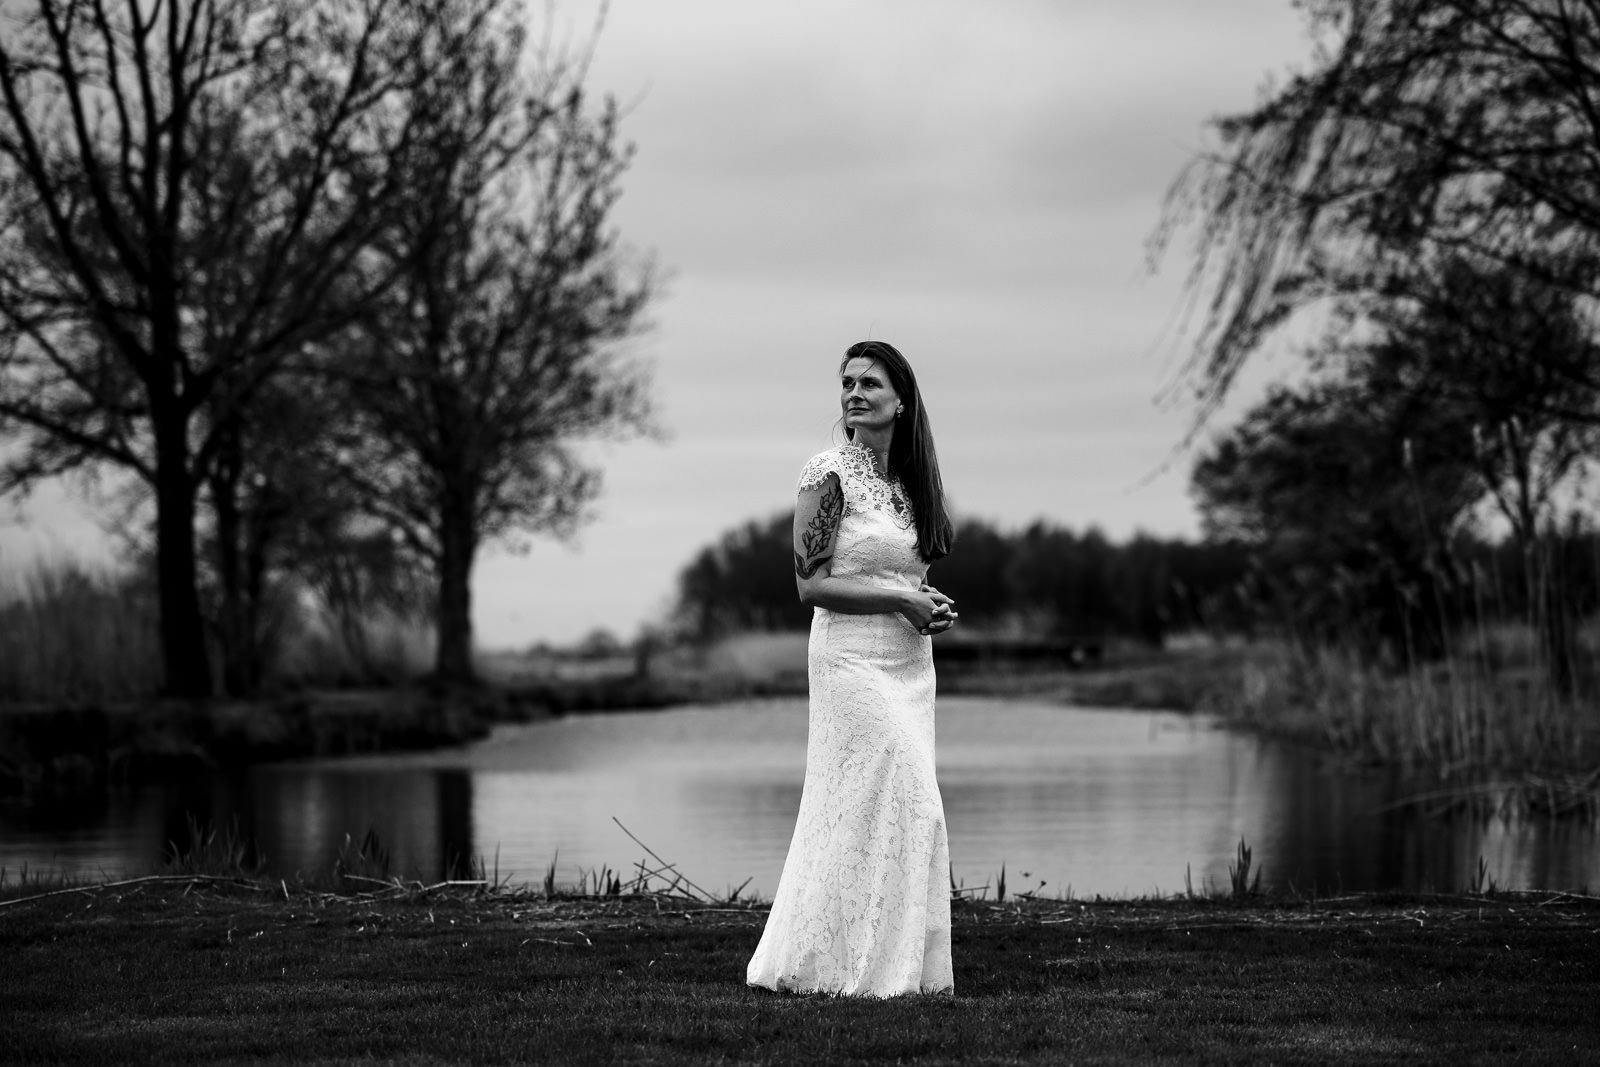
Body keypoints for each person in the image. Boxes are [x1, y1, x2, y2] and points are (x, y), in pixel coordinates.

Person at [746, 340, 958, 997]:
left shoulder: (911, 486)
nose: (854, 393)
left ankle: (883, 963)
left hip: (907, 664)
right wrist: (899, 597)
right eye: (847, 383)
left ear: (902, 400)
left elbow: (908, 572)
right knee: (914, 800)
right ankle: (849, 963)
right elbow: (810, 587)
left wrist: (928, 604)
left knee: (878, 810)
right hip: (848, 660)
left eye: (870, 383)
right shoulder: (827, 473)